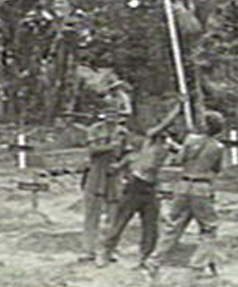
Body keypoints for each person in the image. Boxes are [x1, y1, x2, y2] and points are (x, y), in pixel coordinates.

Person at [96, 98, 184, 269]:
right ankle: (105, 252)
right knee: (120, 222)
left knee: (151, 227)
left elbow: (184, 153)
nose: (170, 129)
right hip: (136, 184)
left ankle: (145, 258)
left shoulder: (168, 143)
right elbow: (162, 126)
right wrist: (177, 109)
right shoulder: (151, 137)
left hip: (151, 187)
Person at [144, 109, 226, 281]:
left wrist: (178, 147)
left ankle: (154, 261)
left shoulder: (190, 139)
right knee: (209, 229)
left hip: (182, 186)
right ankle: (196, 268)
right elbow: (217, 169)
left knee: (173, 227)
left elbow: (179, 160)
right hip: (201, 188)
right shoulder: (218, 147)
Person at [79, 110, 129, 262]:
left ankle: (110, 250)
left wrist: (120, 166)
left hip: (114, 174)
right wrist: (110, 147)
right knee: (91, 213)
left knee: (114, 214)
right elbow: (91, 150)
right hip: (96, 172)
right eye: (108, 117)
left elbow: (129, 154)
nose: (111, 120)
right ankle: (89, 250)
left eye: (114, 117)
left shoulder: (123, 132)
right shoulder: (95, 130)